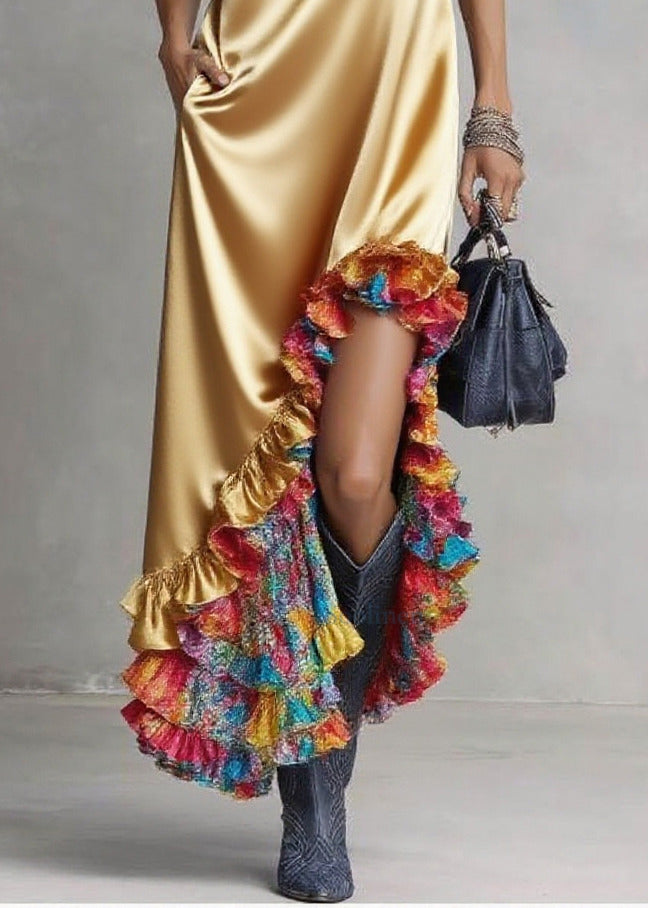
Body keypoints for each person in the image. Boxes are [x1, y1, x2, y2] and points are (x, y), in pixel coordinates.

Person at [118, 0, 524, 901]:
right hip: (256, 89)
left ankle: (323, 765)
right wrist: (174, 37)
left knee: (356, 473)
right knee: (254, 448)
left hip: (396, 86)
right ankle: (313, 804)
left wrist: (491, 106)